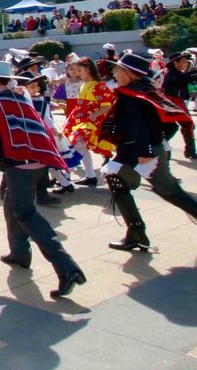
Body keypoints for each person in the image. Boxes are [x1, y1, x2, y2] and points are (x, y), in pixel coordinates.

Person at [0, 58, 86, 298]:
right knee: (9, 203)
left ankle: (67, 268)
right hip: (39, 162)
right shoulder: (18, 97)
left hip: (18, 165)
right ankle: (19, 253)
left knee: (25, 213)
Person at [98, 53, 197, 252]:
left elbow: (139, 124)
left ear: (130, 74)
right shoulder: (146, 90)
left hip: (141, 153)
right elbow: (171, 125)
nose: (115, 73)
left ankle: (137, 234)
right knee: (117, 181)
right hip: (135, 150)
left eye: (118, 69)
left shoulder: (132, 94)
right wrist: (157, 141)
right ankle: (136, 233)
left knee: (169, 191)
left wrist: (147, 149)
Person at [63, 57, 115, 187]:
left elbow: (107, 106)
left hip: (90, 123)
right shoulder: (84, 84)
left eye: (80, 70)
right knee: (80, 147)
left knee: (75, 145)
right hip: (80, 120)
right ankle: (90, 176)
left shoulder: (99, 86)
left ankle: (64, 176)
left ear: (88, 69)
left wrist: (94, 115)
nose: (78, 73)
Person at [161, 52, 197, 160]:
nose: (185, 63)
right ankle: (160, 145)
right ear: (175, 63)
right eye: (183, 61)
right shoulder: (171, 74)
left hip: (176, 102)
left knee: (186, 125)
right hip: (171, 103)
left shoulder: (177, 73)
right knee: (175, 127)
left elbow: (186, 77)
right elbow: (184, 79)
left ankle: (190, 151)